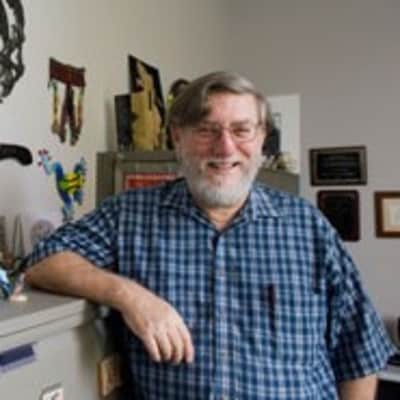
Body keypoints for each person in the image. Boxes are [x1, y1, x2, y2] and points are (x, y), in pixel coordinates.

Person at [25, 71, 395, 399]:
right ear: (177, 137)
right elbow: (43, 261)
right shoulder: (129, 216)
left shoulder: (309, 227)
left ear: (262, 138)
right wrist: (131, 296)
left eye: (241, 130)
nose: (225, 147)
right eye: (206, 130)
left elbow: (359, 351)